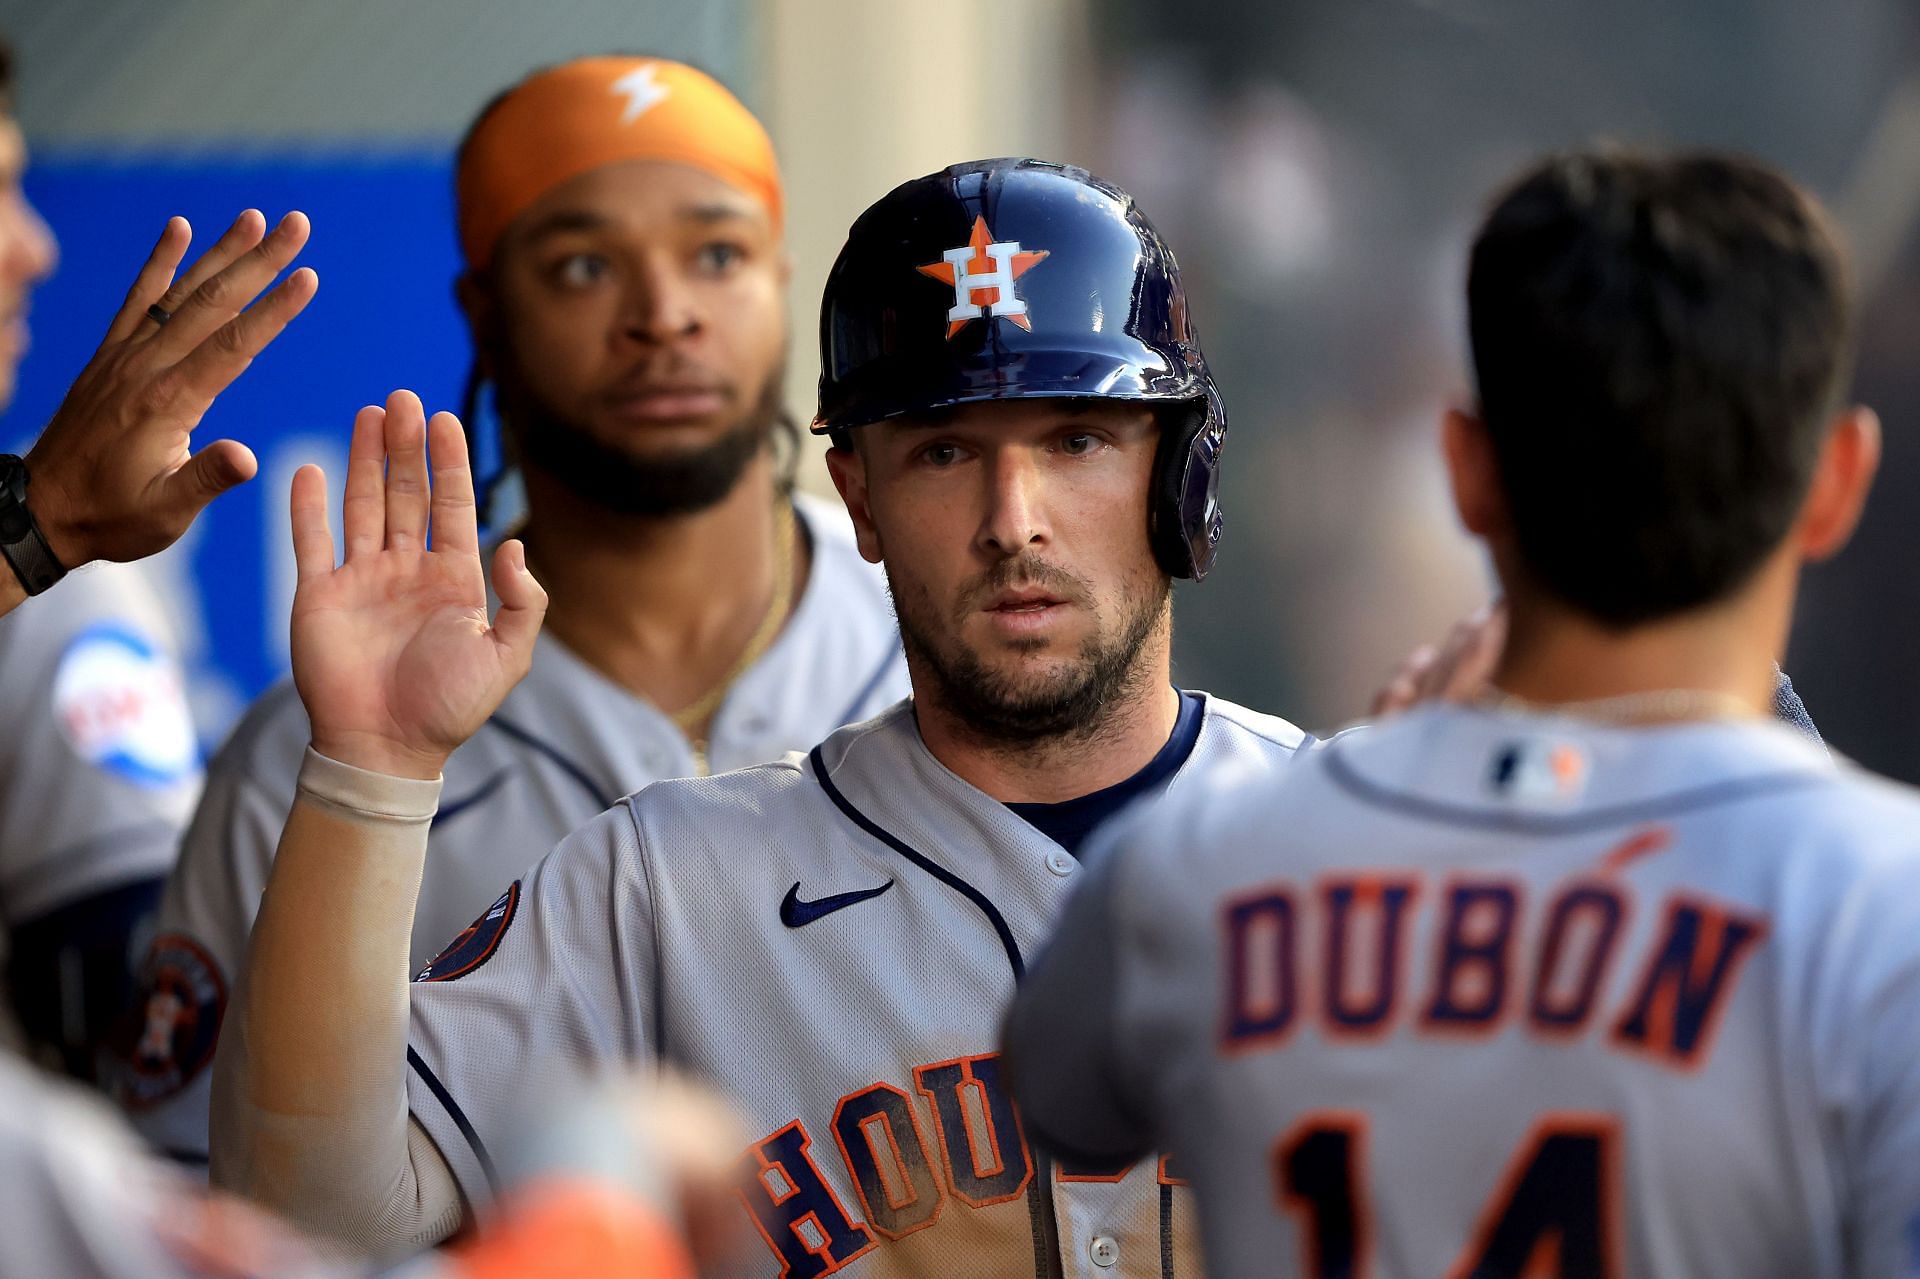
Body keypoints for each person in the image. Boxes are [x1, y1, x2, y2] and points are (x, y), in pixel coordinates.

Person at [209, 158, 1308, 1275]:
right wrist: (374, 768)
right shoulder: (664, 886)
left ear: (1178, 473)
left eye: (1075, 440)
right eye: (943, 452)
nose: (1012, 522)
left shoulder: (1349, 852)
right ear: (862, 499)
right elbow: (319, 1219)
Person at [1003, 148, 1917, 1277]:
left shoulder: (1195, 864)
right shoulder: (1889, 912)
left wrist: (1372, 779)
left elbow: (1062, 1099)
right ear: (1837, 484)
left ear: (1466, 468)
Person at [115, 55, 904, 1154]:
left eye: (717, 254)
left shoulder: (933, 642)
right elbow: (203, 1208)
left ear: (781, 278)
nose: (664, 315)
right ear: (482, 312)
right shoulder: (331, 751)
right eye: (584, 265)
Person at [0, 36, 317, 1085]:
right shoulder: (47, 576)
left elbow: (132, 988)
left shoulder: (52, 593)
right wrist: (36, 526)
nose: (33, 247)